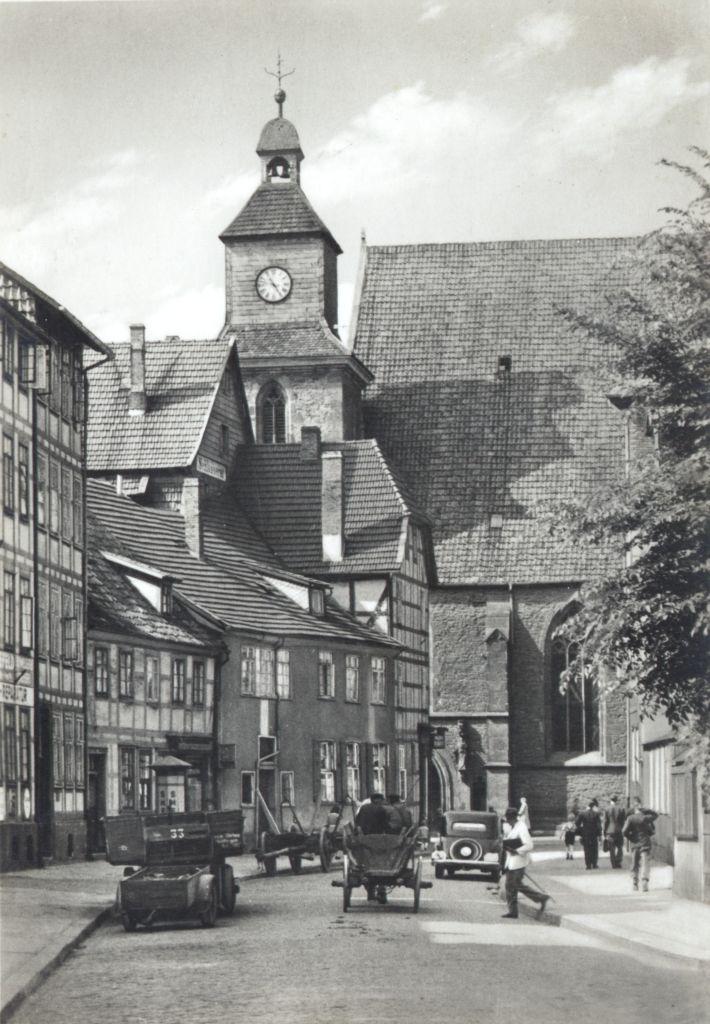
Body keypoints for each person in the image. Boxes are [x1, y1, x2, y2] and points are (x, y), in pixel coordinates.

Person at [501, 806, 549, 919]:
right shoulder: (514, 827)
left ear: (513, 818)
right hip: (512, 862)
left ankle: (539, 898)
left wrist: (516, 850)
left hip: (519, 862)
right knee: (512, 886)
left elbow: (529, 845)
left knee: (513, 885)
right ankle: (514, 910)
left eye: (508, 819)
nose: (507, 822)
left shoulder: (521, 828)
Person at [622, 798, 658, 892]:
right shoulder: (645, 817)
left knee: (635, 863)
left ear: (634, 808)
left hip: (635, 844)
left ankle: (635, 883)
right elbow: (655, 815)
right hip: (645, 843)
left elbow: (624, 831)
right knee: (645, 863)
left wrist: (631, 838)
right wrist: (646, 810)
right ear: (640, 806)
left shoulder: (630, 818)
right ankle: (644, 881)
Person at [576, 799, 602, 869]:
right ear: (593, 806)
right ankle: (594, 864)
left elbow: (577, 824)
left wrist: (580, 832)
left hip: (585, 834)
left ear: (587, 806)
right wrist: (600, 835)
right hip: (594, 834)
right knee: (594, 849)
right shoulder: (596, 814)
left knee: (587, 849)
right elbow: (599, 826)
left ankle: (588, 865)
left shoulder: (582, 814)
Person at [603, 795, 626, 869]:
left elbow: (605, 821)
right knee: (620, 847)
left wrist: (604, 831)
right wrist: (622, 828)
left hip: (609, 830)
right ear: (617, 800)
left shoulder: (607, 809)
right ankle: (618, 862)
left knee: (611, 848)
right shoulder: (621, 808)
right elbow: (623, 820)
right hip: (618, 830)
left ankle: (613, 864)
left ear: (610, 800)